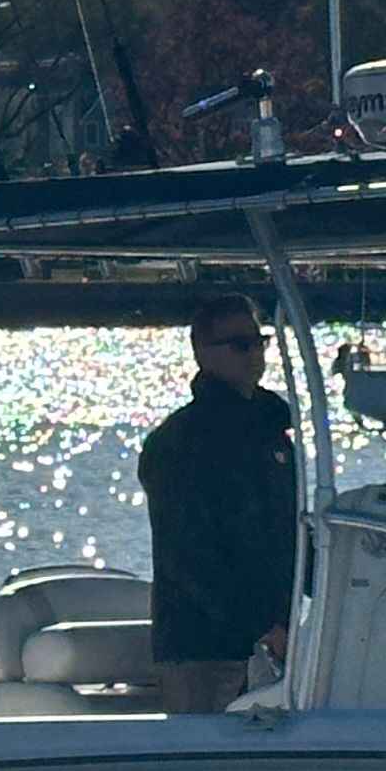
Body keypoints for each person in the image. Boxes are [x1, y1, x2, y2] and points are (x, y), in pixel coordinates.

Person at [139, 292, 299, 714]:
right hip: (202, 646)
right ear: (202, 354)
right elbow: (189, 555)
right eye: (239, 344)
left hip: (278, 637)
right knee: (199, 762)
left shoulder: (271, 436)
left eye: (258, 341)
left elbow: (290, 529)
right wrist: (262, 626)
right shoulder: (179, 443)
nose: (253, 354)